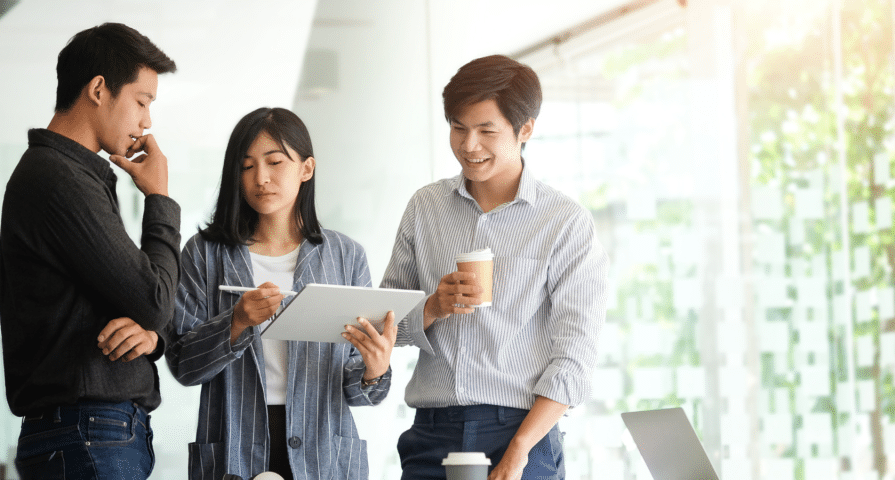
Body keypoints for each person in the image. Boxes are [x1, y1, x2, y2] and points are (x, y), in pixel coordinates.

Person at [380, 54, 609, 480]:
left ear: (525, 130)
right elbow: (385, 323)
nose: (469, 146)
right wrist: (433, 306)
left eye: (487, 131)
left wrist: (521, 448)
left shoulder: (564, 222)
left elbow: (575, 355)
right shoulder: (425, 208)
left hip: (520, 432)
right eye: (458, 128)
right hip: (432, 435)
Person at [164, 107, 397, 480]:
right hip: (234, 447)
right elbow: (184, 366)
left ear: (306, 168)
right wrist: (236, 322)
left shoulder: (346, 255)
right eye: (246, 166)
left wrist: (375, 369)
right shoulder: (205, 253)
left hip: (324, 455)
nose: (261, 178)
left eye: (275, 162)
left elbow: (358, 392)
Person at [0, 23, 179, 480]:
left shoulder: (68, 176)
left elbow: (141, 304)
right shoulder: (60, 179)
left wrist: (150, 332)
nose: (147, 122)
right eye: (142, 101)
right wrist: (158, 197)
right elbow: (155, 299)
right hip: (88, 434)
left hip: (88, 434)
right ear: (99, 89)